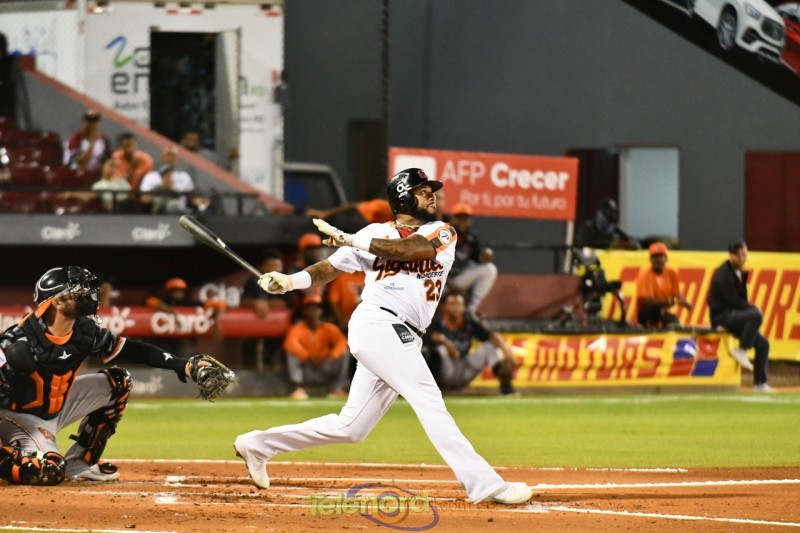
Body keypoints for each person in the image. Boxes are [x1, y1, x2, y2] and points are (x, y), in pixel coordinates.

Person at [233, 168, 532, 505]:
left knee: (351, 427)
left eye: (431, 191)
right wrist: (290, 281)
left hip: (404, 332)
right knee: (428, 399)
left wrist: (350, 239)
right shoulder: (373, 232)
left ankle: (256, 445)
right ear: (403, 197)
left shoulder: (441, 231)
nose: (432, 196)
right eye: (422, 191)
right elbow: (329, 269)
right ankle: (485, 484)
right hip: (379, 322)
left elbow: (409, 250)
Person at [0, 266, 210, 485]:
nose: (87, 296)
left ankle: (81, 465)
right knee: (47, 471)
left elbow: (134, 350)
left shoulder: (85, 331)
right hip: (18, 416)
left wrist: (183, 365)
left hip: (57, 407)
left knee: (118, 382)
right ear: (58, 302)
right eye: (78, 292)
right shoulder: (17, 340)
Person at [707, 240, 773, 393]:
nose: (743, 258)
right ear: (731, 256)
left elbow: (741, 300)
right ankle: (742, 350)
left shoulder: (740, 272)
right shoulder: (724, 274)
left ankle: (760, 384)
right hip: (722, 317)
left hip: (733, 316)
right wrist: (752, 309)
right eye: (739, 255)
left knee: (763, 344)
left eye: (745, 254)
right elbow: (734, 302)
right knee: (756, 315)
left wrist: (749, 311)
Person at [425, 292, 517, 396]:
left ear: (464, 306)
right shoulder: (436, 323)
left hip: (464, 369)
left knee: (489, 346)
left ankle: (506, 388)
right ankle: (430, 391)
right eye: (452, 304)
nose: (456, 307)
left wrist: (506, 351)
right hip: (446, 371)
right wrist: (445, 342)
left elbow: (491, 335)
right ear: (444, 306)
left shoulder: (469, 321)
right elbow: (428, 341)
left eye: (459, 304)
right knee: (439, 349)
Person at [283, 295, 350, 399]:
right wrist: (309, 356)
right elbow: (290, 344)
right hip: (307, 368)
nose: (313, 311)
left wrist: (330, 356)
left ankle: (337, 388)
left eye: (316, 308)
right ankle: (297, 388)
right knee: (291, 353)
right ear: (304, 311)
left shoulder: (328, 328)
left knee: (345, 352)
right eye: (310, 308)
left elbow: (342, 342)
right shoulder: (297, 328)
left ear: (321, 311)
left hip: (326, 366)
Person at [239, 249, 293, 370]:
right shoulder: (254, 281)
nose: (274, 269)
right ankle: (249, 372)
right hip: (255, 324)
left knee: (275, 354)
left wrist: (266, 304)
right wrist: (255, 303)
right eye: (270, 265)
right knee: (250, 350)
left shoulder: (287, 282)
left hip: (279, 327)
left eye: (277, 266)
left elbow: (286, 303)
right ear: (263, 267)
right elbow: (244, 301)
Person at [145, 277, 225, 357]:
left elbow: (220, 304)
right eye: (174, 290)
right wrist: (171, 311)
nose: (177, 293)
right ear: (169, 292)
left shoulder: (190, 303)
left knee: (186, 348)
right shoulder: (164, 302)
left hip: (187, 344)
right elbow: (150, 301)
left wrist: (216, 322)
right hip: (166, 343)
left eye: (180, 290)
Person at [446, 202, 498, 314]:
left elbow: (478, 258)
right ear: (453, 219)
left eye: (465, 219)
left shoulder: (471, 237)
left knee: (489, 269)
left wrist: (485, 257)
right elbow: (433, 264)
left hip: (458, 278)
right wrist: (450, 285)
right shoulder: (443, 234)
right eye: (459, 218)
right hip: (440, 281)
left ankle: (471, 310)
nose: (463, 222)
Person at [634, 242, 692, 327]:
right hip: (646, 312)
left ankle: (670, 326)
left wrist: (683, 302)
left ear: (666, 258)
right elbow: (648, 301)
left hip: (664, 311)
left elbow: (676, 295)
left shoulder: (671, 272)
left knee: (675, 323)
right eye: (655, 257)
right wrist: (671, 301)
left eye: (661, 256)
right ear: (650, 259)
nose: (658, 260)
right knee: (656, 310)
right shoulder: (645, 274)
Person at [63, 110, 112, 177]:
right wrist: (92, 143)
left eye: (95, 121)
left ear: (99, 123)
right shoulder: (75, 139)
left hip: (96, 175)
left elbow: (107, 160)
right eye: (90, 121)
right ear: (84, 122)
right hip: (75, 175)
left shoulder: (104, 139)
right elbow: (80, 162)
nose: (92, 124)